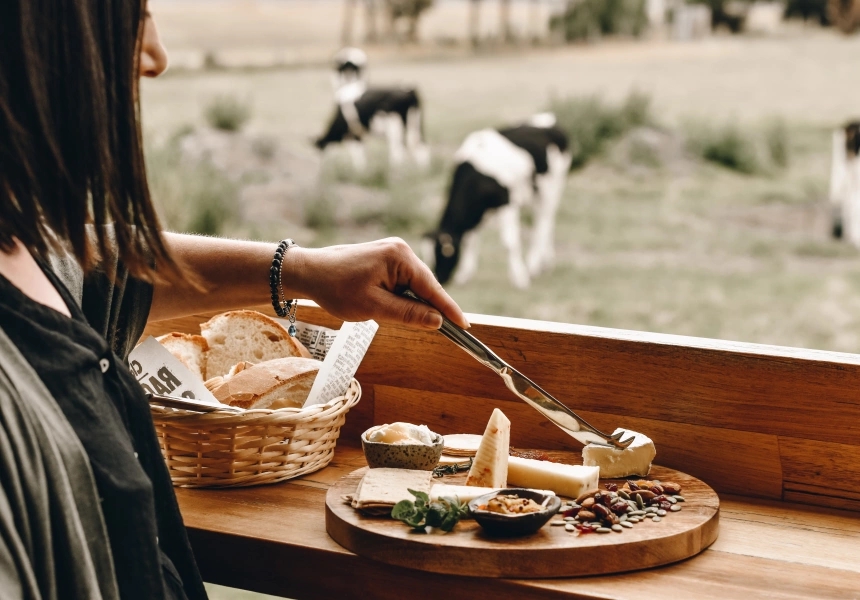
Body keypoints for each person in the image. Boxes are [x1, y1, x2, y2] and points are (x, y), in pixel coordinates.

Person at [0, 3, 467, 599]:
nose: (155, 57)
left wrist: (304, 271)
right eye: (131, 17)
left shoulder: (26, 240)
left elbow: (92, 267)